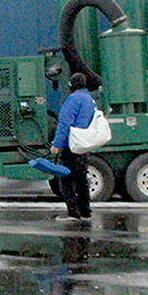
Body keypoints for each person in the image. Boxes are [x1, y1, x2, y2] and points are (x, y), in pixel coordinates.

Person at [51, 72, 96, 223]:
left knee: (66, 179)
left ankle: (73, 212)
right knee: (82, 179)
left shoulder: (73, 99)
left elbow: (64, 124)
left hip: (72, 145)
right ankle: (86, 211)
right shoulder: (89, 99)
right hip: (84, 144)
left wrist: (56, 144)